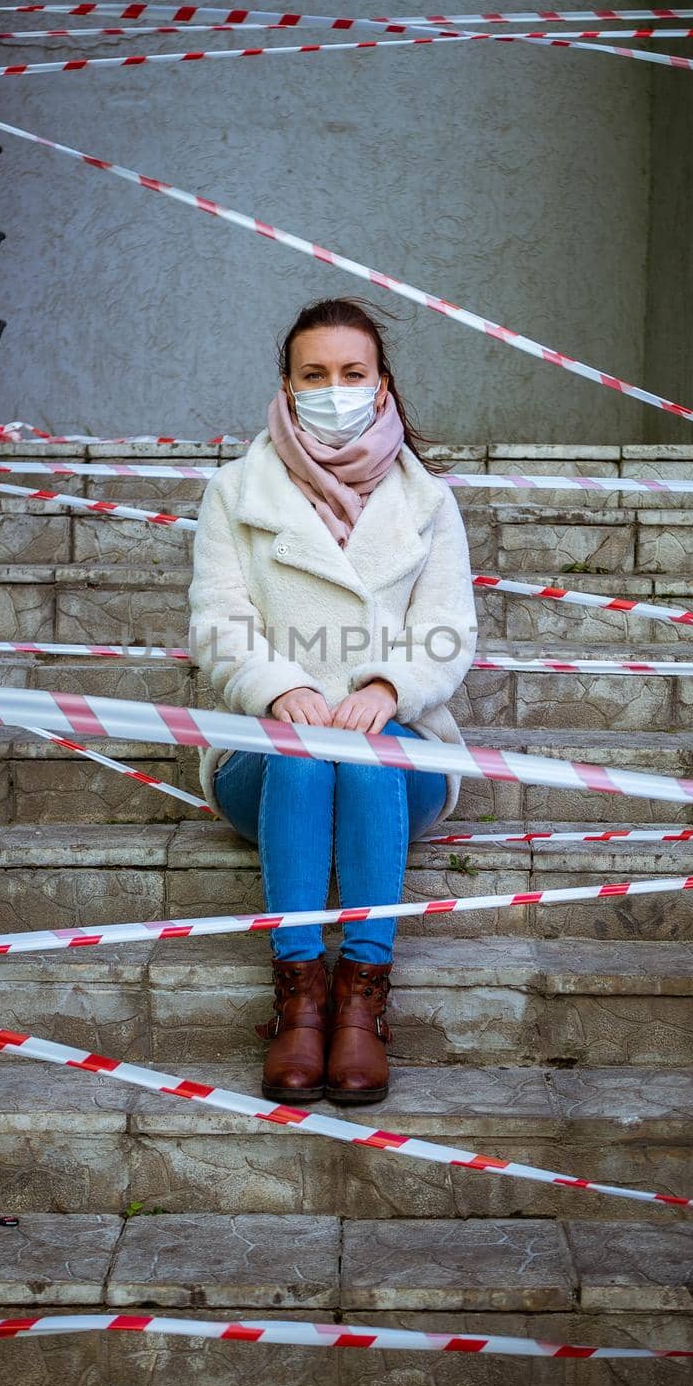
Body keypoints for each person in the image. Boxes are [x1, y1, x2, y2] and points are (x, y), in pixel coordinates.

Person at [187, 296, 478, 1107]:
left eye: (352, 372)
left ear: (382, 385)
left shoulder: (428, 504)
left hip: (401, 756)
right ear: (286, 383)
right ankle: (300, 998)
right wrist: (285, 690)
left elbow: (449, 630)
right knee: (310, 755)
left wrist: (388, 689)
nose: (334, 388)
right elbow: (218, 624)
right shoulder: (235, 492)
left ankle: (361, 999)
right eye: (314, 373)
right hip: (268, 764)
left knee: (364, 755)